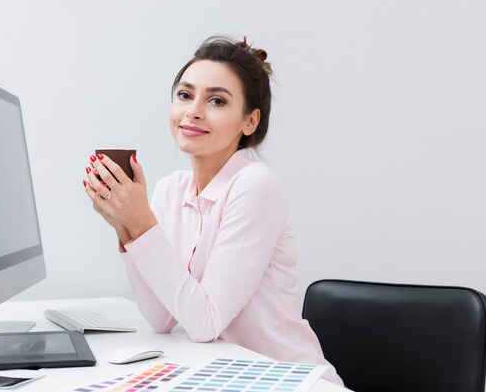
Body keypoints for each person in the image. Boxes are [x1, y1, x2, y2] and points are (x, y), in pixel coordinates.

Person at [83, 36, 342, 385]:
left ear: (249, 122)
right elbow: (162, 319)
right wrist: (125, 227)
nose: (193, 111)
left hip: (287, 380)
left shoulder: (255, 186)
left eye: (217, 100)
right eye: (185, 95)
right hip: (224, 376)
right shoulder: (170, 190)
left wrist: (142, 224)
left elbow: (204, 322)